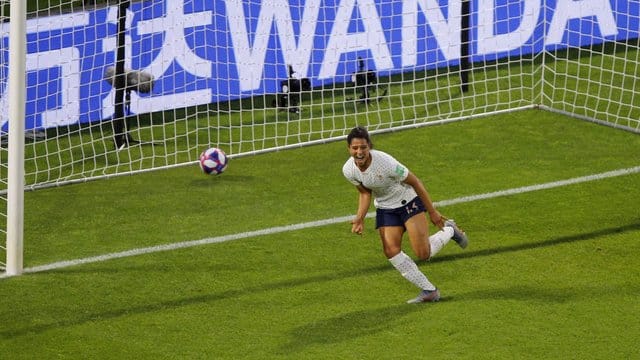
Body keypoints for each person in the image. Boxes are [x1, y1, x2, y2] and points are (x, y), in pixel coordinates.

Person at [342, 126, 468, 303]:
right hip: (386, 208)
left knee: (424, 254)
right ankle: (429, 290)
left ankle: (449, 230)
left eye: (363, 147)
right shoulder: (349, 170)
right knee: (391, 250)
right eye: (355, 148)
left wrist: (432, 212)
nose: (359, 152)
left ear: (369, 146)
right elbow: (364, 193)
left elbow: (415, 182)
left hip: (407, 202)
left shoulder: (386, 163)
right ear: (349, 149)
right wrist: (360, 218)